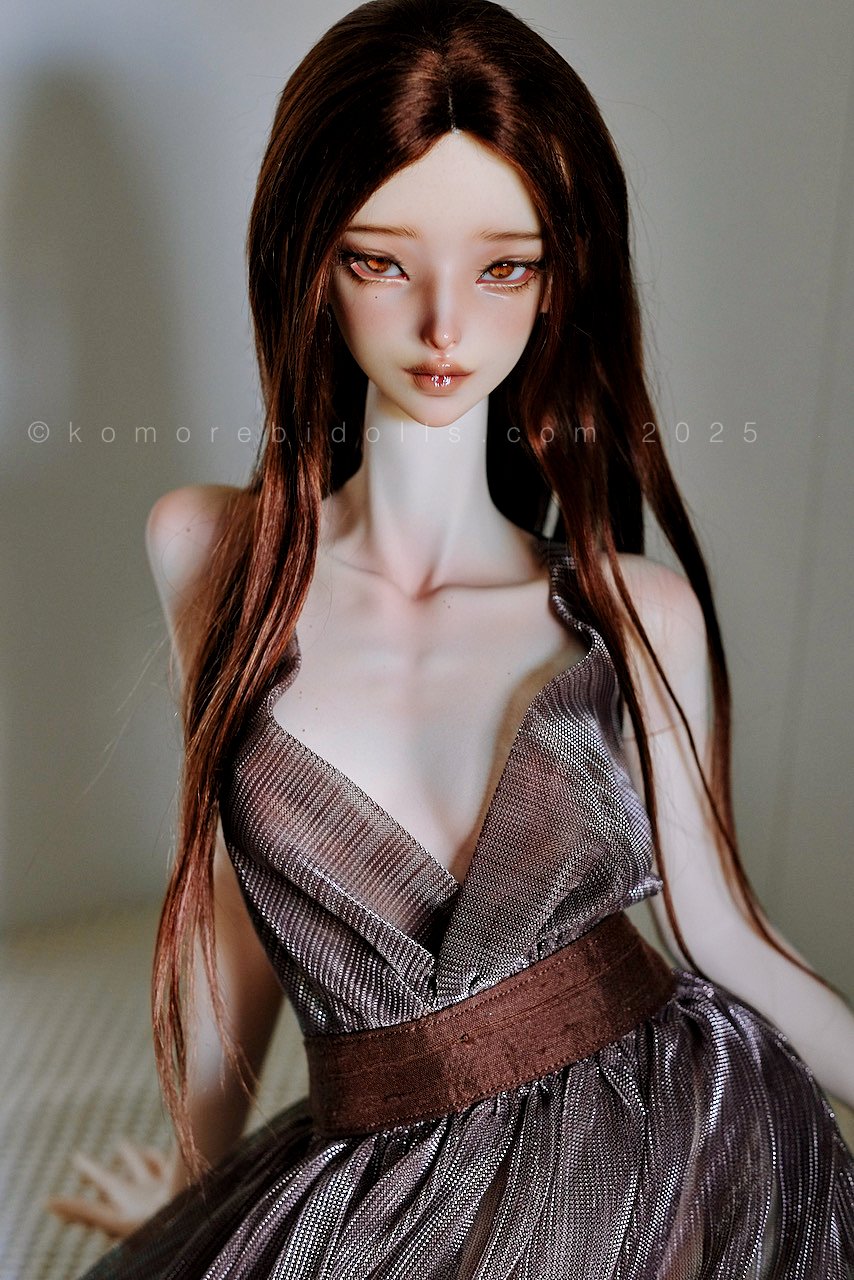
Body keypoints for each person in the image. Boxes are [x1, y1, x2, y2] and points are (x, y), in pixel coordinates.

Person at [47, 0, 854, 1274]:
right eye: (381, 261)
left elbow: (725, 935)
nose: (442, 326)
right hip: (379, 1149)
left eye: (503, 269)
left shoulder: (630, 611)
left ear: (558, 278)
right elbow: (230, 910)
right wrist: (197, 1189)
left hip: (655, 1132)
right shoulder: (211, 554)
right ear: (310, 262)